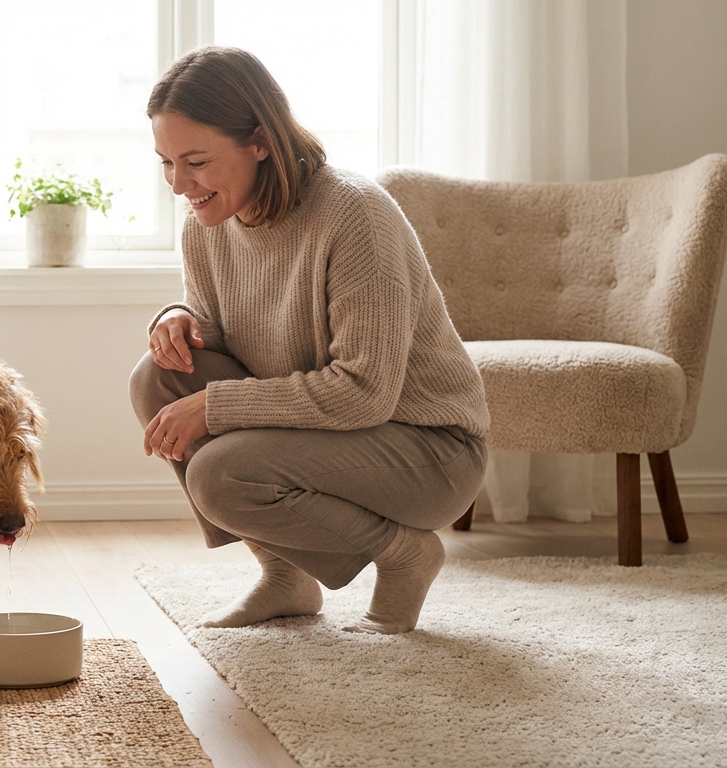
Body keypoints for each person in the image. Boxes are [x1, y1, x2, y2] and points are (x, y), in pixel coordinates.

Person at [130, 46, 489, 634]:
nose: (178, 185)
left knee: (218, 474)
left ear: (261, 142)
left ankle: (403, 552)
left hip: (428, 449)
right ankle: (285, 576)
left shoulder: (355, 215)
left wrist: (215, 406)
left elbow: (364, 393)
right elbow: (225, 340)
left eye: (195, 161)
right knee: (158, 375)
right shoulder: (207, 224)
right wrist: (178, 319)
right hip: (330, 435)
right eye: (166, 162)